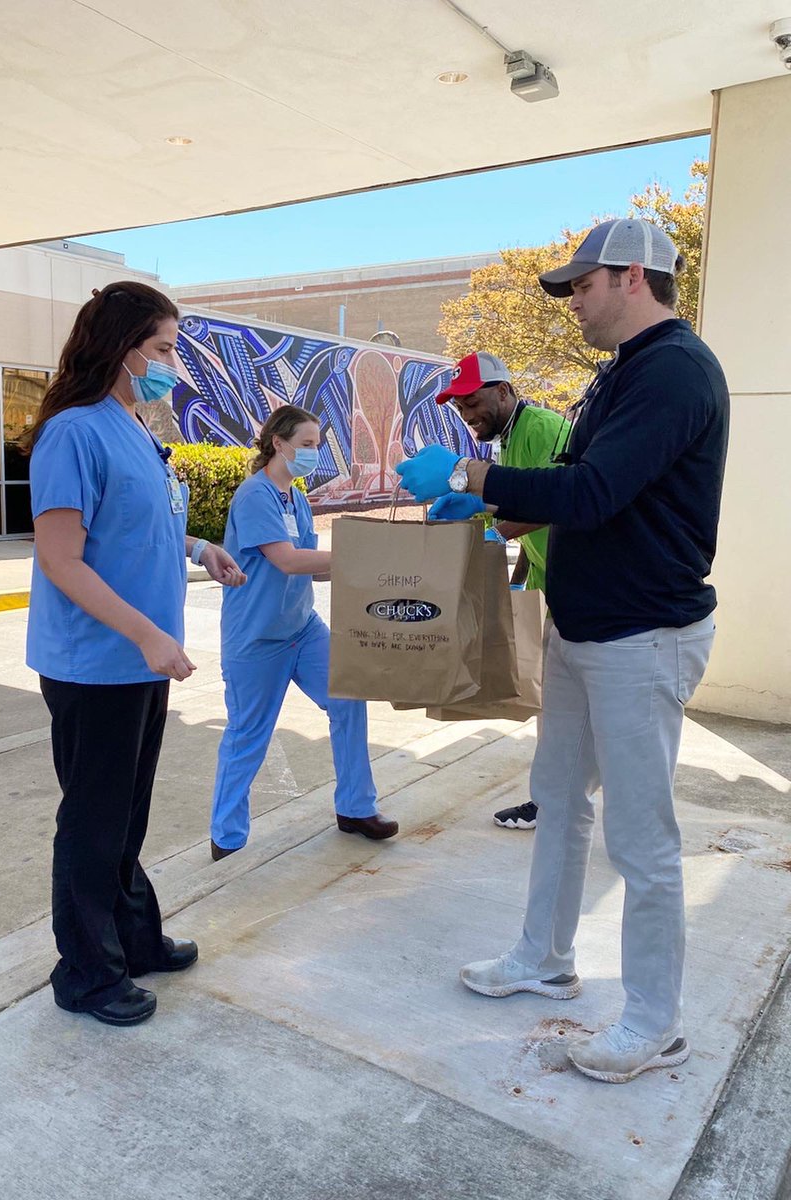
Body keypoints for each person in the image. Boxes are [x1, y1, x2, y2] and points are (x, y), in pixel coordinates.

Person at [396, 219, 729, 1084]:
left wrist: (471, 479)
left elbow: (596, 490)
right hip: (587, 629)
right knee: (558, 798)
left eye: (581, 285)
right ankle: (544, 956)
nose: (573, 302)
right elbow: (580, 496)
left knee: (641, 834)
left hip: (641, 636)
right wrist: (492, 516)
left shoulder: (677, 372)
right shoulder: (621, 376)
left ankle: (657, 1022)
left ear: (630, 278)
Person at [25, 281, 246, 1027]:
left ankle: (132, 939)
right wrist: (147, 633)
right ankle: (86, 975)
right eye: (162, 348)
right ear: (121, 349)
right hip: (97, 664)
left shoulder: (131, 423)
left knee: (126, 815)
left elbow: (131, 530)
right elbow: (62, 557)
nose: (171, 363)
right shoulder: (74, 431)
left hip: (141, 664)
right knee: (94, 820)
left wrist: (198, 546)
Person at [209, 404, 397, 860]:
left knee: (349, 699)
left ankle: (355, 807)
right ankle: (227, 840)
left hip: (302, 629)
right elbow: (288, 560)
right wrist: (360, 556)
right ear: (278, 443)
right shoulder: (255, 496)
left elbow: (311, 570)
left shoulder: (295, 497)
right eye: (307, 445)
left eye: (317, 445)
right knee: (249, 734)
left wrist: (380, 572)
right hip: (257, 639)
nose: (314, 454)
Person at [428, 350, 568, 830]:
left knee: (565, 710)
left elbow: (560, 501)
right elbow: (526, 516)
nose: (467, 414)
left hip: (579, 589)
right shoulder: (509, 438)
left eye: (473, 401)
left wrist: (497, 532)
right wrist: (514, 586)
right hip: (553, 586)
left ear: (504, 391)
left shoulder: (541, 429)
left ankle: (555, 804)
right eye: (459, 406)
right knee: (557, 708)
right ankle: (552, 800)